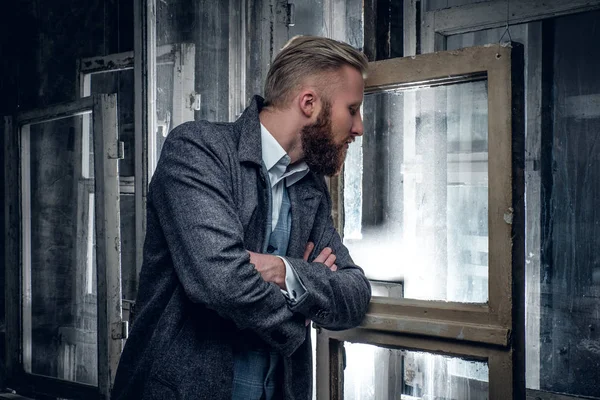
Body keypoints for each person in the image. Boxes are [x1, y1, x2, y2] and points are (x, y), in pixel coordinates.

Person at [111, 35, 371, 400]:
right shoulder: (197, 151)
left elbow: (355, 293)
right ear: (309, 103)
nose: (359, 128)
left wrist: (284, 271)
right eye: (353, 109)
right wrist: (303, 308)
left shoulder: (310, 188)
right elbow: (221, 282)